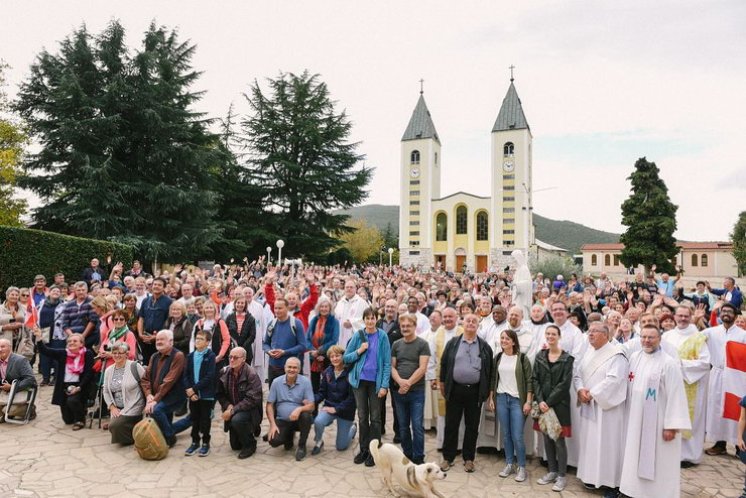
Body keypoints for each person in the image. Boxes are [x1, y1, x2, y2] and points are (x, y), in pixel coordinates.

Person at [619, 324, 691, 498]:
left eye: (651, 337)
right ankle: (632, 491)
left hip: (658, 423)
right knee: (633, 456)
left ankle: (659, 494)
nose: (646, 341)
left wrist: (671, 426)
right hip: (635, 418)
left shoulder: (668, 363)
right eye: (643, 337)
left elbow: (677, 396)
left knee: (659, 461)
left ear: (659, 339)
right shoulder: (635, 357)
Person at [573, 322, 628, 497]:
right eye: (589, 331)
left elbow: (614, 380)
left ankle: (611, 482)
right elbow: (578, 374)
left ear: (605, 335)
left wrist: (592, 394)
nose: (590, 334)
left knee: (607, 444)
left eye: (595, 332)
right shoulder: (589, 352)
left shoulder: (617, 354)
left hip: (607, 409)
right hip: (590, 404)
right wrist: (580, 389)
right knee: (590, 442)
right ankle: (591, 476)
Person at [438, 313, 493, 474]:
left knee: (472, 427)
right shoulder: (453, 343)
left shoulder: (484, 346)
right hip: (455, 390)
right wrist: (442, 383)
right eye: (468, 320)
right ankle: (448, 458)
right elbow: (444, 363)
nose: (470, 323)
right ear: (463, 323)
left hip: (475, 392)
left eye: (474, 321)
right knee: (451, 425)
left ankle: (469, 459)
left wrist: (488, 392)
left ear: (477, 325)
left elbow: (489, 370)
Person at [663, 305, 710, 466]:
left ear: (691, 317)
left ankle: (689, 455)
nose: (683, 319)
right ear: (674, 316)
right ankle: (670, 453)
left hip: (690, 384)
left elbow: (705, 363)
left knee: (691, 420)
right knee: (671, 416)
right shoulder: (667, 336)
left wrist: (680, 364)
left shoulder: (698, 337)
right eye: (680, 315)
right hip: (669, 384)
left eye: (686, 316)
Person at [344, 307, 391, 467]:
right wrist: (359, 350)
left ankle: (374, 452)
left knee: (376, 419)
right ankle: (364, 450)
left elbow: (386, 362)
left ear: (377, 319)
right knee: (363, 417)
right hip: (360, 382)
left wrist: (384, 385)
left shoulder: (382, 336)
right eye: (367, 318)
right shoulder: (358, 335)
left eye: (373, 318)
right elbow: (346, 358)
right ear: (363, 320)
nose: (370, 321)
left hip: (376, 383)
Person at [487, 329, 533, 482]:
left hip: (516, 401)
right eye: (502, 338)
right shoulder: (498, 357)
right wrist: (491, 398)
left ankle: (521, 467)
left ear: (513, 341)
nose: (504, 341)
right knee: (506, 435)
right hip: (501, 399)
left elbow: (529, 381)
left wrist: (528, 401)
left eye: (507, 338)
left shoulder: (522, 359)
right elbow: (493, 377)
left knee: (517, 436)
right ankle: (509, 463)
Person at [533, 324, 574, 492]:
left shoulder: (567, 359)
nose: (550, 336)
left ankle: (562, 476)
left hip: (559, 406)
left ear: (559, 336)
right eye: (548, 334)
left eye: (553, 334)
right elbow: (535, 379)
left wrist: (547, 402)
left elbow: (564, 385)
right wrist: (540, 400)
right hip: (543, 405)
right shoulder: (540, 356)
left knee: (559, 441)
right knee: (547, 439)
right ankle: (552, 471)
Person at [702, 302, 746, 456]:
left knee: (734, 409)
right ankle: (719, 443)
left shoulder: (742, 335)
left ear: (735, 315)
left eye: (729, 311)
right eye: (724, 311)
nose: (726, 313)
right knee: (716, 409)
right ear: (720, 314)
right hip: (717, 374)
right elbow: (694, 339)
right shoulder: (711, 332)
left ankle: (738, 445)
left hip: (736, 377)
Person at [390, 313, 431, 464]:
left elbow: (423, 368)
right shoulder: (396, 345)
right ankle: (407, 455)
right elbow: (392, 367)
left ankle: (419, 458)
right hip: (399, 392)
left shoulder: (422, 344)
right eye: (403, 326)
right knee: (403, 427)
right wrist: (400, 382)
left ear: (415, 326)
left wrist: (407, 384)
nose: (405, 328)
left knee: (417, 426)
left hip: (416, 392)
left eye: (409, 326)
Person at [35, 331, 95, 430]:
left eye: (75, 341)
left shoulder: (87, 354)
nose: (71, 343)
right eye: (69, 341)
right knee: (67, 420)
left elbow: (89, 373)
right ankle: (80, 410)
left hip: (81, 385)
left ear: (81, 344)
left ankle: (80, 420)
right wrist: (39, 338)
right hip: (64, 386)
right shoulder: (64, 353)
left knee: (72, 401)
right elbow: (45, 351)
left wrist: (79, 387)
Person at [216, 346, 264, 459]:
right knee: (235, 446)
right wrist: (228, 405)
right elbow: (219, 394)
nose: (232, 360)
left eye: (235, 357)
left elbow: (252, 400)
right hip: (233, 409)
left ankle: (250, 445)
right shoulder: (224, 372)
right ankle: (251, 429)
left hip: (249, 409)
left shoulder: (252, 374)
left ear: (243, 359)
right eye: (230, 357)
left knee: (237, 420)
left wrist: (232, 410)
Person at [140, 330, 186, 447]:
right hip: (158, 396)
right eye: (157, 339)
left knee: (156, 410)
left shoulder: (178, 356)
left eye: (162, 339)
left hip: (174, 396)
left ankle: (170, 437)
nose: (158, 342)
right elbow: (145, 379)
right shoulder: (154, 356)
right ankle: (190, 421)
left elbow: (168, 382)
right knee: (162, 426)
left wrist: (155, 400)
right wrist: (149, 395)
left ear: (171, 342)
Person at [266, 357, 315, 461]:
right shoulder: (276, 382)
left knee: (306, 416)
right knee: (273, 441)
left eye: (295, 367)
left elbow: (311, 405)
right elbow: (269, 405)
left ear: (299, 369)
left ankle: (302, 446)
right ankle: (288, 436)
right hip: (282, 420)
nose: (292, 370)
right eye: (289, 367)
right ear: (284, 368)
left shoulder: (305, 382)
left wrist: (299, 409)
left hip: (298, 419)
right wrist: (272, 425)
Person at [312, 345, 357, 454]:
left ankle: (353, 429)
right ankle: (318, 442)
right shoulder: (327, 372)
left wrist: (336, 409)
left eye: (337, 356)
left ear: (343, 356)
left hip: (345, 411)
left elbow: (352, 399)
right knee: (318, 421)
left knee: (341, 446)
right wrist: (311, 400)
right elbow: (322, 393)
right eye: (332, 357)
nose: (335, 359)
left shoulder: (350, 373)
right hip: (330, 406)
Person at [102, 341, 145, 445]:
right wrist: (111, 407)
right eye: (114, 352)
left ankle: (135, 438)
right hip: (117, 408)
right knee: (116, 426)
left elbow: (146, 384)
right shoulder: (108, 370)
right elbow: (106, 391)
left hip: (134, 405)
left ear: (126, 354)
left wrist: (149, 400)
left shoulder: (135, 367)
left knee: (114, 426)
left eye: (120, 353)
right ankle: (132, 433)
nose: (117, 355)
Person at [182, 330, 217, 457]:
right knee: (194, 418)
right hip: (193, 395)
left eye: (201, 339)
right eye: (196, 338)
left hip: (206, 394)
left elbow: (210, 376)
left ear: (208, 342)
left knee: (205, 420)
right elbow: (185, 375)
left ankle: (205, 443)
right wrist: (190, 392)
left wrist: (194, 389)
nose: (197, 341)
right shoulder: (190, 356)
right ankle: (195, 441)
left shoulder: (211, 356)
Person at [263, 298, 308, 386]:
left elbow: (302, 346)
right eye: (276, 308)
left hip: (291, 369)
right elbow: (265, 344)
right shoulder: (271, 323)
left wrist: (284, 352)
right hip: (273, 367)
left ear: (287, 308)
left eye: (280, 308)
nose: (277, 311)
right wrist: (268, 351)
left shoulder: (296, 323)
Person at [377, 298, 402, 442]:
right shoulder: (378, 323)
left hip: (395, 368)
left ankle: (398, 432)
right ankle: (380, 428)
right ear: (384, 308)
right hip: (380, 369)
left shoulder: (400, 325)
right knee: (379, 400)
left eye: (393, 307)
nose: (390, 309)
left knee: (396, 402)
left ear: (397, 308)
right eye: (388, 306)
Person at [307, 297, 339, 393]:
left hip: (328, 357)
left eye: (326, 307)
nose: (324, 309)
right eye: (322, 306)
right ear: (318, 308)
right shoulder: (314, 320)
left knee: (329, 385)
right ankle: (315, 407)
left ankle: (328, 406)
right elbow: (307, 338)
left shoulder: (334, 321)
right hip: (313, 358)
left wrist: (321, 352)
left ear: (330, 308)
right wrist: (313, 351)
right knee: (314, 386)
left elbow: (334, 340)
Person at [137, 277, 172, 365]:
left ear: (164, 287)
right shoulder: (146, 300)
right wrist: (141, 334)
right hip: (145, 338)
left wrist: (156, 336)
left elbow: (168, 322)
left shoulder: (169, 302)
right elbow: (141, 318)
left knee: (158, 364)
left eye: (159, 285)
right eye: (155, 284)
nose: (156, 286)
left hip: (160, 339)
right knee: (146, 363)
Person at [0, 338, 37, 420]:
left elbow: (30, 379)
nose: (0, 349)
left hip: (21, 389)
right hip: (5, 391)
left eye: (3, 347)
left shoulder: (20, 360)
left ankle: (30, 410)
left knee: (9, 410)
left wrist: (12, 387)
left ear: (10, 348)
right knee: (5, 410)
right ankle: (5, 411)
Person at [37, 285, 65, 386]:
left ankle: (56, 378)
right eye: (54, 290)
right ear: (49, 292)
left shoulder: (64, 304)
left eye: (58, 291)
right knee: (44, 355)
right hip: (44, 333)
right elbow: (36, 316)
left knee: (57, 356)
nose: (56, 292)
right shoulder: (42, 303)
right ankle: (45, 378)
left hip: (59, 335)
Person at [193, 300, 231, 370]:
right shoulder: (199, 323)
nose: (209, 310)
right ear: (204, 310)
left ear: (215, 309)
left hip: (217, 357)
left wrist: (220, 355)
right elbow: (193, 340)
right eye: (207, 308)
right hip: (201, 357)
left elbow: (226, 340)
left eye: (211, 308)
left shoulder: (220, 322)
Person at [61, 282, 98, 349]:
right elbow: (64, 324)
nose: (81, 292)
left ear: (87, 290)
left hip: (88, 338)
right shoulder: (69, 305)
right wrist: (73, 337)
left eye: (83, 290)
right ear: (74, 291)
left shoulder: (92, 303)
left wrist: (82, 337)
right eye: (78, 290)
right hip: (72, 338)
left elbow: (93, 321)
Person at [334, 279, 368, 346]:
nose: (349, 289)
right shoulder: (340, 303)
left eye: (351, 287)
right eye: (347, 287)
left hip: (355, 338)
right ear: (344, 289)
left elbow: (367, 319)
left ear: (355, 289)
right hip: (340, 337)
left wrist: (352, 323)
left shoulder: (362, 303)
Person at [225, 296, 256, 366]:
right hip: (232, 350)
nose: (240, 304)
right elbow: (225, 333)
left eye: (242, 303)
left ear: (245, 305)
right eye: (238, 302)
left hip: (246, 352)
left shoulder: (251, 318)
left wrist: (242, 348)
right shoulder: (229, 317)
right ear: (235, 304)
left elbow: (252, 336)